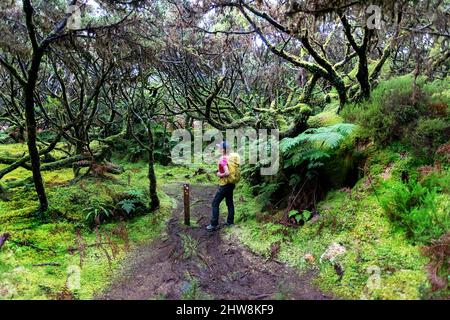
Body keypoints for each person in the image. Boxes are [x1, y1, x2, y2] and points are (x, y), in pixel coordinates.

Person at [206, 141, 240, 232]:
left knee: (215, 203)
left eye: (219, 147)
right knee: (229, 203)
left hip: (224, 185)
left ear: (223, 150)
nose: (218, 149)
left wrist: (219, 174)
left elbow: (227, 172)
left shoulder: (223, 159)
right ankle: (230, 222)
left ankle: (214, 224)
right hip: (231, 184)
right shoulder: (231, 158)